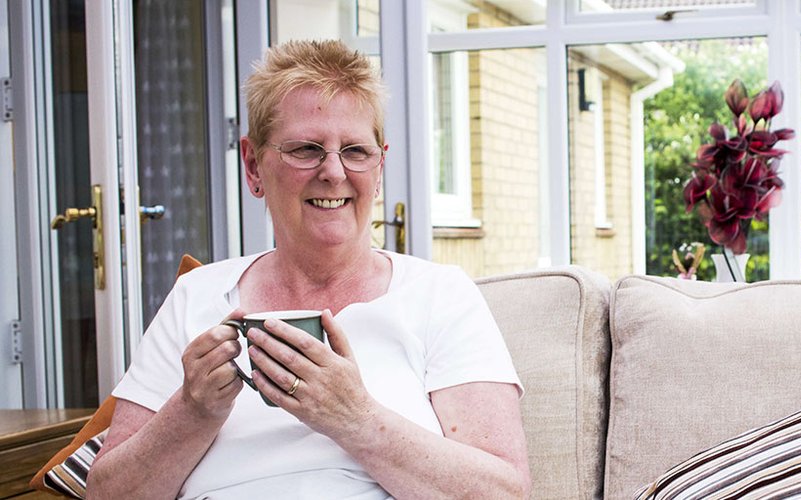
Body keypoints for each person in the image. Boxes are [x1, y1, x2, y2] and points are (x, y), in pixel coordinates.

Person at [88, 39, 530, 499]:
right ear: (253, 166)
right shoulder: (197, 296)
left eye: (356, 151)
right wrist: (191, 411)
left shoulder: (440, 295)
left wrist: (354, 417)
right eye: (306, 149)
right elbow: (105, 494)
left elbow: (505, 494)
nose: (334, 173)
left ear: (379, 169)